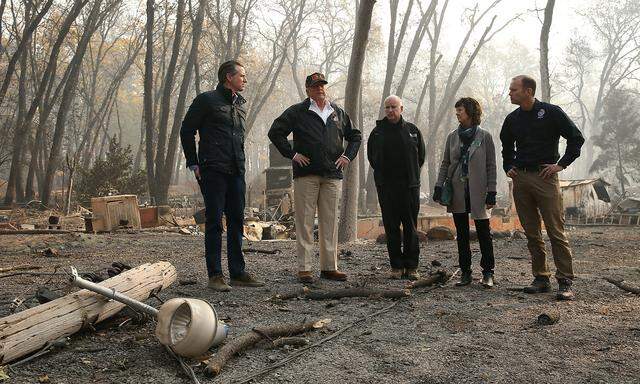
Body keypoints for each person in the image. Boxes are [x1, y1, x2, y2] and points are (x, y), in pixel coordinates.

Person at [268, 72, 362, 284]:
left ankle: (330, 268)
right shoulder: (298, 111)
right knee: (305, 222)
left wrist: (347, 156)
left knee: (330, 223)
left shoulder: (336, 111)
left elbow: (355, 136)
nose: (320, 88)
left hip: (331, 175)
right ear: (308, 89)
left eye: (322, 85)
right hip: (306, 175)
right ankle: (305, 269)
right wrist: (292, 154)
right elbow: (275, 132)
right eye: (315, 86)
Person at [180, 60, 264, 291]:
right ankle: (215, 275)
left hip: (236, 171)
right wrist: (193, 162)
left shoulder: (240, 105)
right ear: (229, 77)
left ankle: (238, 273)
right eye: (242, 76)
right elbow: (187, 130)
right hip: (213, 170)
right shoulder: (206, 100)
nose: (245, 80)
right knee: (215, 222)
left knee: (237, 220)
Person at [500, 75, 584, 301]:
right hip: (521, 179)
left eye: (514, 90)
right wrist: (509, 166)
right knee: (531, 232)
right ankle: (541, 277)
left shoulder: (551, 112)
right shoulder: (512, 119)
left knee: (555, 230)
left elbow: (576, 139)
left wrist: (561, 165)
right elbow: (506, 147)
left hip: (545, 177)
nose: (510, 93)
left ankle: (565, 281)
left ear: (528, 91)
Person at [434, 97, 497, 288]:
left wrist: (492, 191)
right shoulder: (452, 137)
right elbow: (446, 163)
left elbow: (491, 165)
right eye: (456, 110)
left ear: (470, 111)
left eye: (460, 110)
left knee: (483, 234)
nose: (457, 113)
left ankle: (488, 273)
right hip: (457, 191)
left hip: (479, 191)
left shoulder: (485, 136)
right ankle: (465, 273)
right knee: (461, 234)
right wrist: (438, 185)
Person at [367, 95, 425, 280]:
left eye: (393, 107)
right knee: (391, 227)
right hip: (387, 188)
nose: (390, 111)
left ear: (401, 108)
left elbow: (420, 157)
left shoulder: (412, 131)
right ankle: (396, 266)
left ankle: (412, 266)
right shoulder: (377, 133)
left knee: (410, 227)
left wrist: (411, 176)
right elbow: (372, 158)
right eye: (387, 108)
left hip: (409, 187)